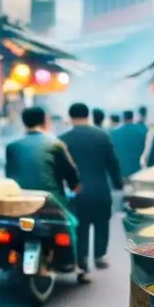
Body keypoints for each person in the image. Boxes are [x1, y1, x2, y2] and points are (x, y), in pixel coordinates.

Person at [6, 106, 85, 280]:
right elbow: (71, 173)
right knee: (71, 223)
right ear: (45, 121)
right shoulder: (55, 144)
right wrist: (75, 187)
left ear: (24, 123)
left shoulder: (12, 146)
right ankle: (76, 265)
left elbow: (9, 176)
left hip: (20, 200)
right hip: (50, 201)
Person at [60, 103, 122, 272]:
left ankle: (82, 259)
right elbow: (113, 164)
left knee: (80, 226)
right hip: (100, 189)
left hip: (77, 191)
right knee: (102, 222)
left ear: (70, 117)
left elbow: (59, 168)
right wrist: (118, 184)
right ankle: (99, 255)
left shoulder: (64, 139)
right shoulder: (102, 136)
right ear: (88, 116)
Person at [111, 110, 146, 179]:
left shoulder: (114, 133)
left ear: (123, 118)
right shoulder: (142, 131)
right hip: (137, 170)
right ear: (132, 118)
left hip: (121, 170)